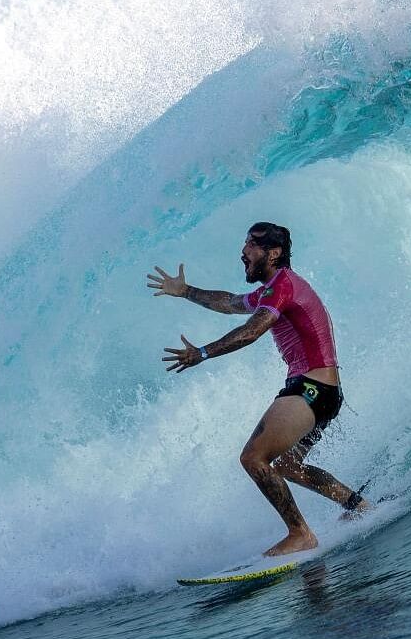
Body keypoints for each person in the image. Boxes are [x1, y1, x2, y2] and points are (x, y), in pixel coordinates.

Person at [147, 222, 369, 556]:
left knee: (254, 458)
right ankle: (358, 506)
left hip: (311, 389)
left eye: (251, 244)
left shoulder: (284, 286)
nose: (243, 251)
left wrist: (202, 353)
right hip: (320, 392)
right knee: (289, 467)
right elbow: (231, 302)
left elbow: (251, 331)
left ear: (274, 252)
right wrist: (187, 291)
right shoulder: (272, 289)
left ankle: (300, 534)